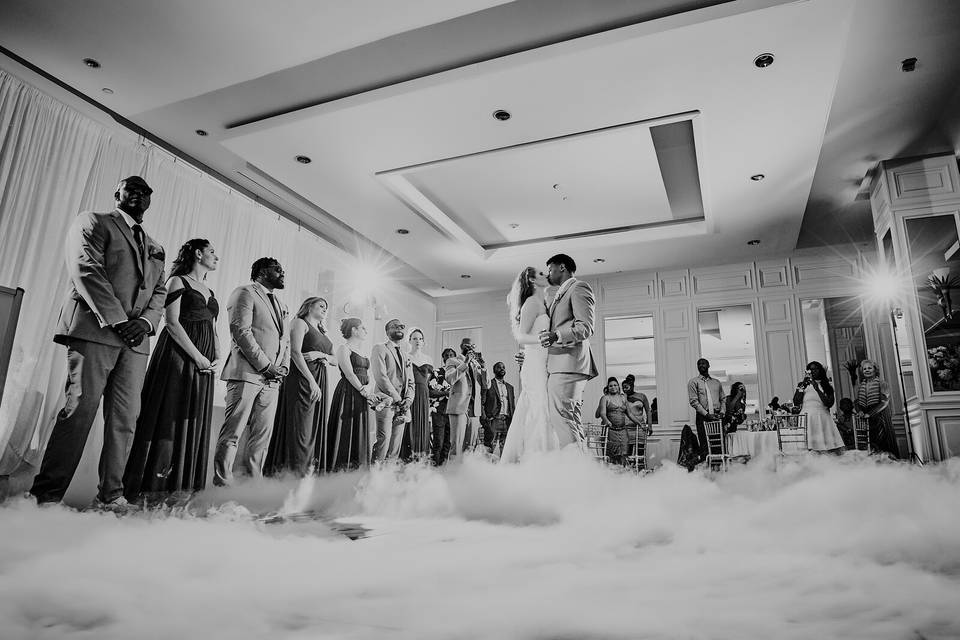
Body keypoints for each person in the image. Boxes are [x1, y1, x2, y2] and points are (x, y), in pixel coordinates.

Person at [30, 176, 167, 510]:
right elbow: (86, 269)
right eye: (130, 189)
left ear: (150, 200)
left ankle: (111, 496)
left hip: (135, 343)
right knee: (78, 411)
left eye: (145, 192)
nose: (138, 194)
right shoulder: (93, 221)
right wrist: (120, 321)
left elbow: (159, 291)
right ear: (116, 194)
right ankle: (45, 498)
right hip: (95, 330)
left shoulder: (156, 244)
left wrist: (146, 323)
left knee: (125, 419)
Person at [123, 238, 219, 501]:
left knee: (191, 417)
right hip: (179, 356)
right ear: (198, 254)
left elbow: (211, 325)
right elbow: (172, 323)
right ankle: (154, 486)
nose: (216, 257)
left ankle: (183, 485)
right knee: (169, 413)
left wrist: (216, 352)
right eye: (212, 252)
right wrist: (198, 356)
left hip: (204, 363)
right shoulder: (178, 281)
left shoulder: (209, 290)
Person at [213, 257, 290, 486]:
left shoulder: (282, 305)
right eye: (277, 269)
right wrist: (266, 365)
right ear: (261, 271)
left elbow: (284, 341)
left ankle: (252, 486)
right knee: (232, 434)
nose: (282, 273)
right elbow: (241, 331)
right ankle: (222, 485)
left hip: (273, 380)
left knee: (261, 438)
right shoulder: (245, 292)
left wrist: (283, 366)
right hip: (247, 374)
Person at [265, 296, 334, 476]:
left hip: (320, 380)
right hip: (302, 379)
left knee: (314, 427)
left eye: (326, 307)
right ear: (309, 306)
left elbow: (335, 360)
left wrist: (321, 355)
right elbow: (295, 353)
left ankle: (309, 472)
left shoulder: (323, 332)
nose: (325, 309)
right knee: (301, 428)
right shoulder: (299, 323)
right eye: (321, 305)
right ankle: (294, 473)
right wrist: (311, 381)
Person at [537, 254, 598, 447]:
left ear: (561, 267)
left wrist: (557, 335)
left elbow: (585, 327)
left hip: (569, 363)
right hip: (561, 364)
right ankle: (580, 470)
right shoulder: (560, 293)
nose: (548, 273)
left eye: (550, 269)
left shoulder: (578, 287)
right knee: (569, 419)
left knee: (562, 419)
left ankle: (575, 471)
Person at [500, 266, 558, 463]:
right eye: (541, 273)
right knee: (539, 408)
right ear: (532, 280)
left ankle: (545, 458)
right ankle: (536, 460)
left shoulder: (544, 302)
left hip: (544, 362)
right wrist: (542, 340)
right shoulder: (531, 303)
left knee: (544, 408)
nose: (546, 275)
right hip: (534, 364)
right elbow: (522, 336)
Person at [324, 318, 372, 471]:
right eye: (362, 327)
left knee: (359, 429)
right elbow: (349, 374)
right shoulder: (343, 349)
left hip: (362, 394)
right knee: (345, 428)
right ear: (353, 330)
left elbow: (366, 374)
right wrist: (363, 390)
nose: (366, 330)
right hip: (348, 392)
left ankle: (358, 466)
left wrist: (368, 391)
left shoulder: (363, 351)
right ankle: (340, 466)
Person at [370, 318, 415, 463]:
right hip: (386, 401)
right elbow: (381, 377)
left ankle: (388, 476)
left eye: (402, 326)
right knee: (384, 439)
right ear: (387, 331)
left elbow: (411, 382)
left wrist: (408, 400)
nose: (399, 328)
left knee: (396, 444)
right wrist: (398, 399)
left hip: (402, 406)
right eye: (394, 326)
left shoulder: (407, 355)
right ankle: (375, 476)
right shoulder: (380, 348)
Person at [445, 337, 487, 459]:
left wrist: (484, 367)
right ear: (461, 346)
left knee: (471, 446)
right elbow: (450, 379)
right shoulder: (452, 361)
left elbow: (486, 385)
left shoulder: (477, 364)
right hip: (459, 407)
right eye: (467, 345)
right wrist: (465, 363)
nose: (470, 348)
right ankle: (453, 474)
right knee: (456, 446)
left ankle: (466, 474)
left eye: (473, 346)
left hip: (475, 410)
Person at [792, 361, 844, 453]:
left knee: (826, 447)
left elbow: (829, 403)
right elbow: (796, 402)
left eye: (815, 369)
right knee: (808, 448)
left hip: (822, 417)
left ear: (820, 371)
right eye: (810, 369)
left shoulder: (827, 386)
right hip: (807, 418)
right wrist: (802, 387)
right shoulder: (802, 385)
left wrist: (817, 389)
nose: (812, 371)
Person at [682, 358, 724, 469]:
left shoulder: (716, 382)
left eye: (703, 363)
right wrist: (706, 414)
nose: (701, 365)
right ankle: (705, 471)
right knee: (705, 446)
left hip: (717, 416)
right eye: (699, 364)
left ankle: (718, 470)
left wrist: (722, 412)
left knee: (719, 445)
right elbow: (694, 401)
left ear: (708, 365)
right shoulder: (693, 382)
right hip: (703, 417)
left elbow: (723, 399)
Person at [855, 359, 899, 457]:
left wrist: (870, 414)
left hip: (880, 417)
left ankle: (889, 464)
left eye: (869, 368)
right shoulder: (861, 385)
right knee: (871, 443)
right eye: (864, 368)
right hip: (867, 419)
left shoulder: (882, 384)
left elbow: (884, 402)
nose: (867, 370)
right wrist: (860, 411)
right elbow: (856, 402)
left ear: (875, 370)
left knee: (883, 442)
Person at [402, 327, 434, 460]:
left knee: (423, 426)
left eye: (420, 339)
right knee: (410, 424)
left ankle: (421, 459)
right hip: (411, 393)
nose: (418, 341)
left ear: (424, 342)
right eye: (414, 338)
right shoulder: (405, 356)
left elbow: (429, 382)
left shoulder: (429, 359)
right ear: (409, 340)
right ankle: (408, 458)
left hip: (424, 395)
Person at [483, 361, 515, 453]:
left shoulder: (510, 387)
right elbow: (483, 402)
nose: (502, 369)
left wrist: (513, 419)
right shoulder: (489, 384)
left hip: (507, 420)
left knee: (505, 448)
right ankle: (487, 466)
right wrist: (486, 418)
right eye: (499, 367)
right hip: (494, 419)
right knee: (489, 446)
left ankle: (502, 466)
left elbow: (512, 405)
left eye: (503, 367)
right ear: (494, 370)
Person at [598, 377, 629, 465]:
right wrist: (607, 421)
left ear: (618, 387)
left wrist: (640, 423)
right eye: (610, 386)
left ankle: (625, 475)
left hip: (623, 431)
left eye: (615, 385)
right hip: (611, 430)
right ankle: (614, 476)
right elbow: (601, 413)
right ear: (608, 388)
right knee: (613, 454)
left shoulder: (623, 397)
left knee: (624, 454)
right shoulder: (605, 398)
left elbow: (629, 413)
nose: (613, 387)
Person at [431, 353, 453, 465]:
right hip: (439, 411)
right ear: (443, 358)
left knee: (448, 443)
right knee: (438, 442)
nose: (449, 356)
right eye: (446, 355)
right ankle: (435, 468)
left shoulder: (458, 373)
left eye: (452, 355)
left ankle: (444, 468)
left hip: (453, 412)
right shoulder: (436, 372)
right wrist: (446, 393)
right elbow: (430, 392)